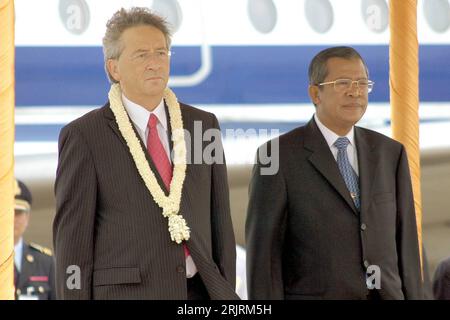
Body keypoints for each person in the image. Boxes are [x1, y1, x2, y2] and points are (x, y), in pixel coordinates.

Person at [53, 7, 238, 300]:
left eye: (161, 53)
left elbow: (221, 222)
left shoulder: (203, 125)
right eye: (141, 55)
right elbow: (72, 245)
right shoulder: (84, 136)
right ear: (114, 68)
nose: (155, 63)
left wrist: (225, 292)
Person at [246, 46, 424, 299]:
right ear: (315, 93)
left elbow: (407, 247)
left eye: (363, 83)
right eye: (343, 83)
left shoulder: (390, 153)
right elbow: (264, 261)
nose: (355, 92)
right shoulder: (276, 157)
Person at [14, 179, 55, 300]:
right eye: (5, 211)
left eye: (18, 212)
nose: (12, 218)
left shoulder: (45, 263)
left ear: (27, 217)